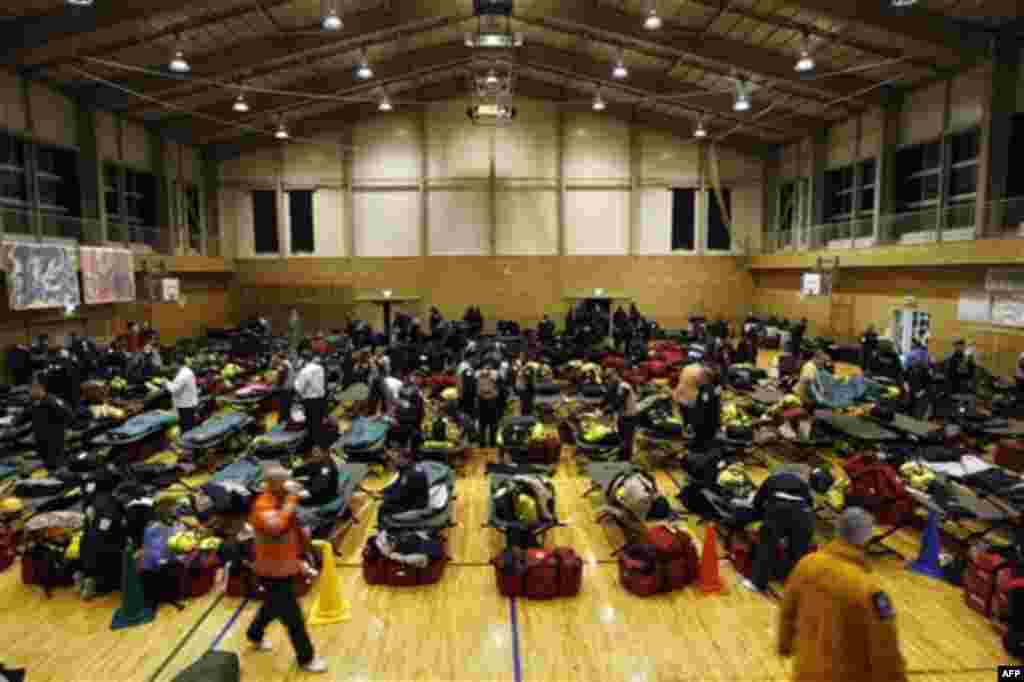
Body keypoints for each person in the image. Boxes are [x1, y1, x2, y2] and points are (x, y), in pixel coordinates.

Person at [779, 507, 907, 682]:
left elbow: (788, 609)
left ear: (837, 530)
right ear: (867, 537)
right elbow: (885, 647)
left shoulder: (807, 563)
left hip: (805, 672)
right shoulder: (870, 589)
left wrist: (785, 644)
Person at [247, 464, 327, 674]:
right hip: (270, 570)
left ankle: (254, 634)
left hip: (286, 564)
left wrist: (302, 560)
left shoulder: (281, 495)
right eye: (284, 482)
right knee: (293, 617)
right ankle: (306, 658)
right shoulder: (263, 506)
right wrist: (292, 500)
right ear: (273, 484)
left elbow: (292, 528)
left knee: (273, 605)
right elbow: (277, 527)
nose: (290, 484)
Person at [736, 464, 815, 594]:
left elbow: (757, 503)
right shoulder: (803, 484)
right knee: (798, 552)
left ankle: (758, 583)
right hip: (805, 515)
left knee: (767, 545)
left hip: (779, 510)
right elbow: (810, 505)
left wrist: (762, 519)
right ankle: (794, 589)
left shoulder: (772, 479)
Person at [30, 379, 72, 471]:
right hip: (41, 441)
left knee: (56, 466)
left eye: (32, 389)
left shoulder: (52, 400)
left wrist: (59, 428)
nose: (31, 392)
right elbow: (26, 416)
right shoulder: (36, 403)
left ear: (40, 389)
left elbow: (68, 414)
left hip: (54, 441)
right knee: (47, 467)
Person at [379, 449, 429, 516]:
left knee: (382, 507)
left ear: (407, 459)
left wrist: (383, 497)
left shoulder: (410, 474)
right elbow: (396, 483)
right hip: (409, 498)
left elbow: (400, 496)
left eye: (399, 458)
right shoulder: (405, 468)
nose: (396, 461)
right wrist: (382, 490)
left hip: (415, 506)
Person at [605, 369, 638, 461]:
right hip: (622, 416)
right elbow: (607, 397)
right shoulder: (615, 386)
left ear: (616, 375)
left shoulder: (624, 385)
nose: (609, 380)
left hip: (630, 417)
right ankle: (621, 458)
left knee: (627, 440)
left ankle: (626, 460)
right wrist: (601, 407)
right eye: (607, 378)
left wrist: (608, 410)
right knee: (621, 439)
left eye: (610, 376)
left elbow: (620, 400)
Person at [167, 359, 199, 434]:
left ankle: (188, 442)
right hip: (188, 403)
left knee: (187, 428)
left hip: (185, 405)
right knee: (189, 426)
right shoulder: (187, 371)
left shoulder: (183, 375)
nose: (172, 366)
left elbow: (174, 389)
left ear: (176, 364)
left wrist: (165, 383)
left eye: (173, 364)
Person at [476, 359, 502, 448]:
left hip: (487, 401)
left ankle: (486, 444)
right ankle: (489, 444)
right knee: (489, 424)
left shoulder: (479, 375)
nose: (487, 369)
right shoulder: (495, 375)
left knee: (487, 425)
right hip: (489, 401)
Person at [273, 353, 294, 423]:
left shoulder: (283, 364)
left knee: (283, 405)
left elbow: (282, 376)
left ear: (280, 358)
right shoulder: (288, 363)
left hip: (284, 388)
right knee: (287, 404)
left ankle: (282, 420)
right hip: (289, 387)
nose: (275, 360)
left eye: (276, 358)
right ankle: (286, 419)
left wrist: (276, 386)